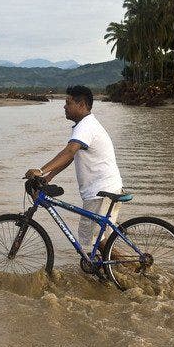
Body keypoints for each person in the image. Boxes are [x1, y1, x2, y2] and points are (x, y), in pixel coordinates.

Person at [25, 85, 123, 252]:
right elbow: (70, 157)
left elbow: (69, 152)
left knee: (93, 242)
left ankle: (130, 268)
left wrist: (41, 171)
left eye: (68, 103)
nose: (64, 106)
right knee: (100, 241)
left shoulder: (85, 126)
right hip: (107, 188)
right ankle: (116, 273)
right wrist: (49, 177)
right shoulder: (87, 125)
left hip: (100, 192)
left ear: (81, 105)